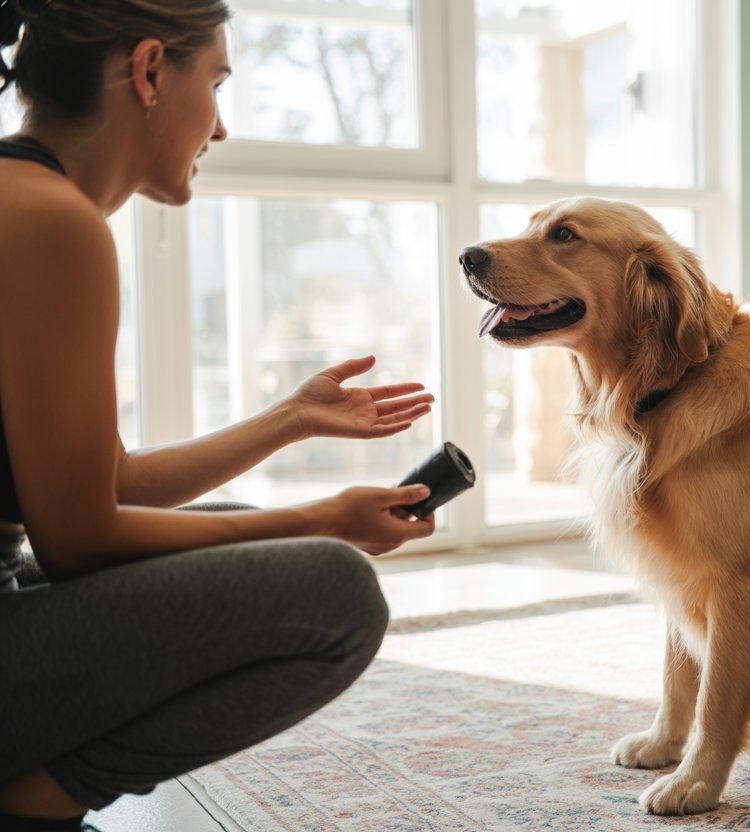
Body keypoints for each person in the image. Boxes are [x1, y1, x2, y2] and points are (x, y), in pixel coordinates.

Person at [0, 1, 439, 828]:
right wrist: (324, 520)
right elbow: (78, 537)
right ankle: (31, 804)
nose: (223, 127)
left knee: (244, 528)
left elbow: (97, 485)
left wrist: (290, 420)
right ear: (149, 71)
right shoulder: (53, 223)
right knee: (334, 594)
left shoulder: (20, 195)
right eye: (218, 81)